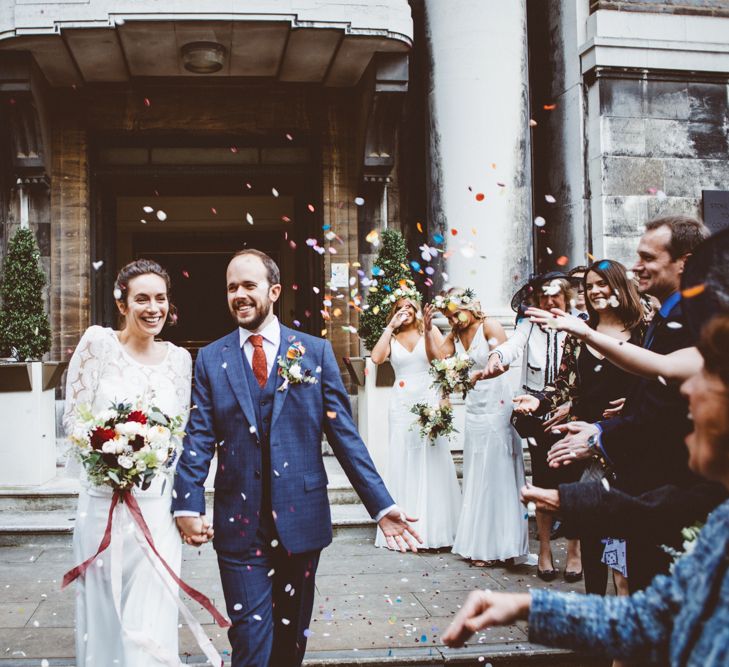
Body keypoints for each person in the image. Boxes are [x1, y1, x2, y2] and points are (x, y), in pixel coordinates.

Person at [172, 249, 421, 667]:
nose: (239, 295)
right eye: (232, 287)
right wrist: (188, 502)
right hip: (239, 525)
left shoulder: (314, 352)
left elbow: (345, 438)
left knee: (289, 646)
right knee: (250, 641)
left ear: (274, 290)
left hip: (301, 523)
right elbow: (198, 435)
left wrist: (381, 505)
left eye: (249, 285)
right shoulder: (212, 359)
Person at [442, 313, 729, 667]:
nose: (687, 389)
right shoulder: (720, 523)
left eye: (707, 379)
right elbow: (652, 618)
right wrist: (525, 607)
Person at [529, 215, 709, 591]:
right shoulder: (666, 315)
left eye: (647, 257)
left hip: (672, 484)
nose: (636, 266)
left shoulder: (697, 315)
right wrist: (595, 426)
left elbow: (665, 398)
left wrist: (600, 435)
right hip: (643, 479)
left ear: (686, 262)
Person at [62, 259, 193, 665]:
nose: (153, 308)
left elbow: (179, 435)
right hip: (103, 507)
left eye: (160, 298)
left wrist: (150, 457)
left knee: (150, 622)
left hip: (157, 512)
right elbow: (73, 421)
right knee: (105, 619)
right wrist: (114, 452)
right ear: (122, 304)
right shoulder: (98, 345)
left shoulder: (179, 359)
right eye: (141, 299)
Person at [513, 259, 645, 595]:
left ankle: (629, 608)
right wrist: (540, 402)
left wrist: (633, 404)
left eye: (603, 284)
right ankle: (596, 607)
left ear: (619, 286)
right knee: (591, 527)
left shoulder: (644, 330)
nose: (595, 291)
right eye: (589, 286)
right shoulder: (578, 335)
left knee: (628, 531)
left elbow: (658, 379)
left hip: (627, 444)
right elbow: (564, 387)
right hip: (582, 444)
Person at [483, 273, 582, 581]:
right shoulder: (529, 326)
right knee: (542, 478)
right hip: (536, 415)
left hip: (572, 414)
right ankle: (545, 551)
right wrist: (497, 356)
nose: (550, 301)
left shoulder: (580, 326)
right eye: (544, 296)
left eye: (556, 296)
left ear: (566, 297)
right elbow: (513, 346)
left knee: (574, 481)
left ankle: (575, 551)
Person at [428, 288, 529, 565]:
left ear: (470, 306)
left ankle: (504, 547)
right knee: (478, 474)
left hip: (496, 406)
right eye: (448, 317)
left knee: (497, 473)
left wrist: (479, 374)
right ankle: (483, 545)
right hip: (474, 409)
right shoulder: (456, 334)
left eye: (455, 314)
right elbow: (438, 361)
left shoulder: (490, 326)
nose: (453, 321)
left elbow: (505, 363)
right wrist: (429, 330)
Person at [369, 290, 461, 549]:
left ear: (418, 309)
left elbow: (440, 361)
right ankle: (404, 527)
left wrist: (444, 398)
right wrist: (390, 326)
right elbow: (377, 358)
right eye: (401, 306)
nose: (406, 310)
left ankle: (436, 529)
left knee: (431, 456)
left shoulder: (428, 331)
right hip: (401, 404)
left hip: (428, 397)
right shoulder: (393, 335)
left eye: (410, 306)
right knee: (403, 457)